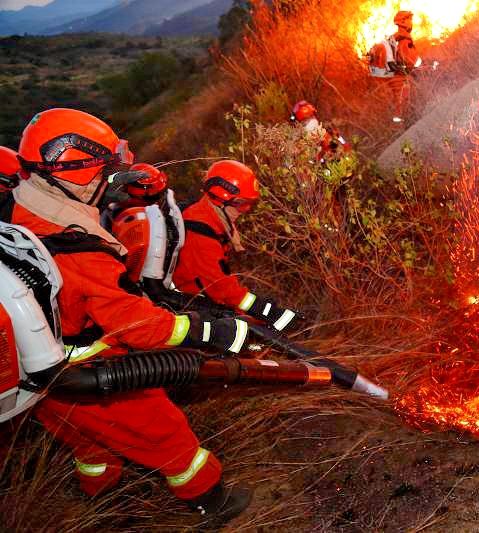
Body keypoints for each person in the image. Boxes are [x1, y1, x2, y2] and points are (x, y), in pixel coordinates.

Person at [3, 108, 254, 524]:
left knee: (89, 445)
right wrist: (211, 330)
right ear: (75, 172)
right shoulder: (77, 248)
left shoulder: (17, 203)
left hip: (32, 376)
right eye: (103, 172)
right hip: (83, 370)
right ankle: (211, 501)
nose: (107, 182)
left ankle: (99, 497)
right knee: (164, 431)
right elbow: (140, 326)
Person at [172, 160, 302, 333]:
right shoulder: (201, 233)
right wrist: (267, 312)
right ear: (219, 199)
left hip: (209, 301)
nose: (246, 210)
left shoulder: (211, 218)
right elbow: (221, 289)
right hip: (194, 310)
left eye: (250, 204)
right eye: (242, 204)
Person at [369, 10, 421, 123]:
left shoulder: (396, 38)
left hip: (396, 74)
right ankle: (404, 122)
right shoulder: (403, 38)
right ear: (402, 22)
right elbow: (404, 55)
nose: (411, 23)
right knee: (403, 100)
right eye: (409, 20)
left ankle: (403, 121)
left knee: (401, 100)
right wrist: (416, 63)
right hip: (399, 74)